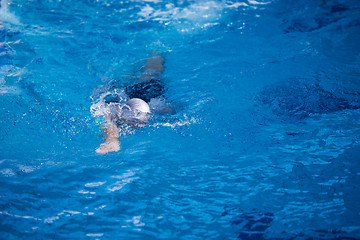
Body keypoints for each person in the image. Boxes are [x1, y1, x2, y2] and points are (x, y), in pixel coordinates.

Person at [94, 52, 172, 154]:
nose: (134, 126)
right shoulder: (156, 107)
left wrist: (112, 139)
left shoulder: (156, 107)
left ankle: (156, 54)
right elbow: (108, 121)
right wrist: (111, 139)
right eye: (133, 123)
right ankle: (156, 54)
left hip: (139, 92)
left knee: (150, 71)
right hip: (146, 90)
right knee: (152, 70)